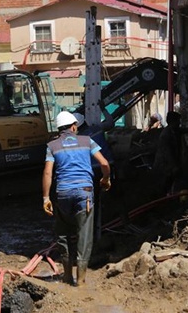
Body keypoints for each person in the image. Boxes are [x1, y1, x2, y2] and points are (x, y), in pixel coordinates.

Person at [42, 111, 111, 286]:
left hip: (63, 194)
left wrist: (45, 198)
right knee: (84, 235)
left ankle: (66, 276)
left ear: (59, 129)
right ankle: (80, 280)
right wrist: (105, 179)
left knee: (63, 234)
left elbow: (48, 172)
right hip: (84, 193)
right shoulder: (87, 141)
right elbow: (104, 163)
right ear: (74, 127)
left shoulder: (52, 145)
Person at [153, 111, 188, 194]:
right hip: (165, 165)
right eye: (178, 121)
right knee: (165, 184)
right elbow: (167, 153)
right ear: (173, 122)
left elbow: (185, 130)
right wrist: (174, 166)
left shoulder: (175, 130)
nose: (179, 123)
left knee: (173, 182)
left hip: (171, 164)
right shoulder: (166, 135)